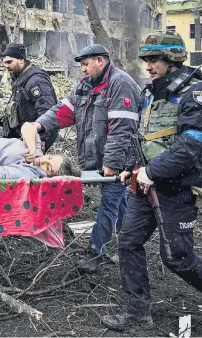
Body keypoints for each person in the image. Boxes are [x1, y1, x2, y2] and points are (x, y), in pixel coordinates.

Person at [101, 31, 202, 330]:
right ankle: (138, 312)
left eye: (154, 59)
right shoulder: (152, 93)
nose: (148, 65)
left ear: (172, 60)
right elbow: (146, 140)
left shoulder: (197, 93)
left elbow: (193, 142)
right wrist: (134, 169)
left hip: (178, 188)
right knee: (128, 241)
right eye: (147, 60)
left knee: (177, 258)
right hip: (145, 186)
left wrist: (152, 172)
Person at [22, 43, 141, 273]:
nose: (83, 70)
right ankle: (131, 242)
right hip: (98, 158)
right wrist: (38, 125)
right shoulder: (84, 86)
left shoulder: (120, 84)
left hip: (121, 159)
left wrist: (112, 164)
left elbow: (122, 129)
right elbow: (62, 111)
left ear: (100, 61)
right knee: (120, 201)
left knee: (109, 203)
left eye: (86, 65)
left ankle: (96, 252)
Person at [0, 43, 58, 151]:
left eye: (9, 62)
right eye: (4, 63)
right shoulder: (19, 77)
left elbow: (48, 113)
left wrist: (40, 143)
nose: (6, 66)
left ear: (21, 60)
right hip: (23, 135)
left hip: (35, 137)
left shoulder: (36, 81)